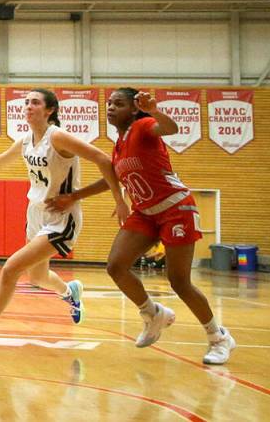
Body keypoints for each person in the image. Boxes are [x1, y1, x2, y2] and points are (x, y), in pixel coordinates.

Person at [48, 88, 236, 365]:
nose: (110, 108)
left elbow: (171, 127)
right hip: (145, 212)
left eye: (118, 104)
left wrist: (155, 109)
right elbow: (111, 178)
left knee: (179, 281)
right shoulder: (120, 143)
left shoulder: (144, 126)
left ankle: (218, 337)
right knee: (116, 266)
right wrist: (73, 197)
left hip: (175, 208)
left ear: (134, 109)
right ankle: (152, 314)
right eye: (109, 103)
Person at [0, 88, 127, 347]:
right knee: (36, 277)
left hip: (61, 216)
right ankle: (71, 293)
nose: (28, 106)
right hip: (35, 213)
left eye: (34, 103)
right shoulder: (25, 140)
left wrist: (118, 198)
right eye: (26, 102)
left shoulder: (58, 137)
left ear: (50, 110)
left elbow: (103, 159)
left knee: (11, 268)